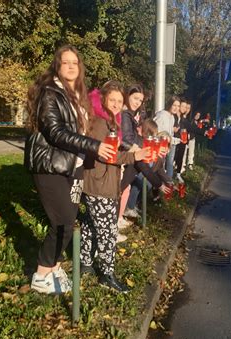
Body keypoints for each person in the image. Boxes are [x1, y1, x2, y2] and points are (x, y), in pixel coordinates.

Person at [24, 45, 116, 295]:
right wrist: (94, 146)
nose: (71, 66)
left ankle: (53, 266)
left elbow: (84, 127)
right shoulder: (50, 92)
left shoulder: (75, 94)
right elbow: (56, 132)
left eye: (75, 62)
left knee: (68, 220)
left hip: (72, 165)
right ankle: (42, 274)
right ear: (57, 66)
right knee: (62, 222)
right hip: (50, 165)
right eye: (66, 62)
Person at [80, 80, 149, 293]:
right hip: (99, 182)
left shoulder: (110, 121)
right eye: (113, 100)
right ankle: (107, 274)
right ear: (103, 99)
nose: (117, 104)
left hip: (102, 181)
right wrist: (133, 156)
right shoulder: (100, 122)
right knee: (108, 229)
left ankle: (85, 263)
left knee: (91, 223)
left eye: (120, 101)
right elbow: (109, 155)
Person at [117, 84, 145, 233]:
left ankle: (118, 219)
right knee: (120, 189)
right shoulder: (125, 114)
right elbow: (126, 139)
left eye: (140, 100)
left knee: (125, 188)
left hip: (126, 155)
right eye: (135, 98)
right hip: (122, 156)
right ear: (127, 96)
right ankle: (114, 224)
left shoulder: (131, 115)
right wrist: (137, 149)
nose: (137, 102)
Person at [153, 96, 180, 178]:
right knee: (153, 171)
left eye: (178, 106)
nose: (176, 108)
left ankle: (167, 184)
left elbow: (169, 134)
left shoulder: (172, 117)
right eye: (174, 105)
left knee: (165, 166)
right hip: (157, 147)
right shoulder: (161, 115)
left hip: (165, 147)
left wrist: (176, 140)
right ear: (169, 104)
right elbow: (154, 131)